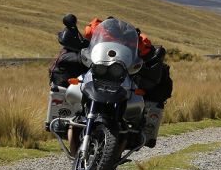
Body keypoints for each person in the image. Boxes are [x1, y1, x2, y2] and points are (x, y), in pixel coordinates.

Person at [46, 15, 173, 147]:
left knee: (136, 104)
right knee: (76, 106)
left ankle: (125, 140)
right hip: (97, 71)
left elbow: (148, 58)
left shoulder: (137, 43)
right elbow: (81, 45)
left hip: (121, 78)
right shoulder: (97, 33)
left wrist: (149, 63)